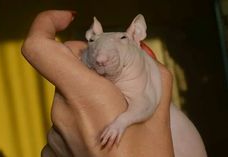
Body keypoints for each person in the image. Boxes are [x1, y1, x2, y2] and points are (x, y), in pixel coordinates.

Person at [22, 10, 174, 157]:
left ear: (137, 34)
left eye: (123, 39)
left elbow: (145, 104)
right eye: (93, 40)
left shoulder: (143, 79)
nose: (101, 59)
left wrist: (120, 123)